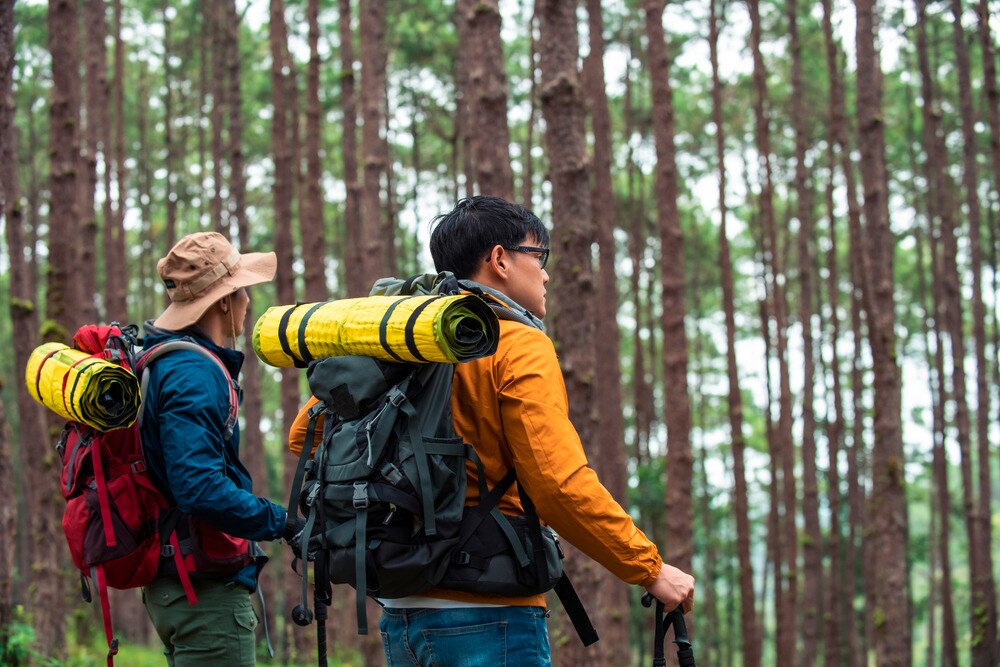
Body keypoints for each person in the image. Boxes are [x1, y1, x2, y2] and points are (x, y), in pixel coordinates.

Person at [289, 196, 695, 666]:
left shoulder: (401, 342)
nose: (545, 274)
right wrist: (649, 568)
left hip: (401, 613)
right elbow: (558, 484)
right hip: (490, 614)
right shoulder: (518, 344)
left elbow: (307, 437)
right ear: (499, 259)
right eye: (538, 257)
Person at [140, 232, 305, 666]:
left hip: (176, 583)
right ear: (225, 301)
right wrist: (282, 522)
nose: (249, 300)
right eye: (243, 289)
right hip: (203, 595)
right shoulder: (193, 372)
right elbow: (198, 486)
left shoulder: (162, 358)